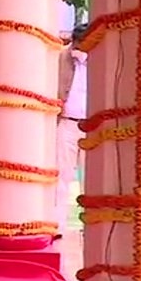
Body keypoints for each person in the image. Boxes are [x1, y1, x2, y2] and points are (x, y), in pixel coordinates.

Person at [55, 23, 89, 236]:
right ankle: (57, 225)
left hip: (92, 125)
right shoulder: (61, 58)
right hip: (67, 122)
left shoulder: (103, 60)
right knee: (61, 176)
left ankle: (91, 226)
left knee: (92, 179)